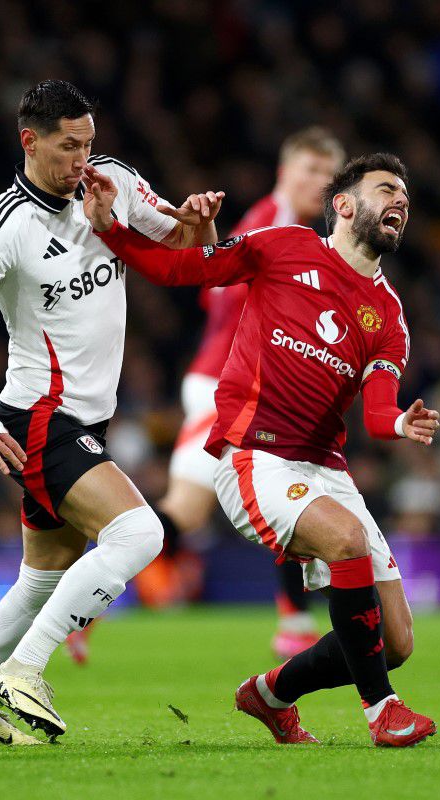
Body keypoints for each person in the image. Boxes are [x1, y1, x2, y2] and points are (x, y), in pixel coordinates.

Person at [83, 152, 440, 747]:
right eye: (386, 189)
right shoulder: (282, 246)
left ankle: (270, 694)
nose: (401, 201)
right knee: (347, 540)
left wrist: (401, 424)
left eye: (406, 195)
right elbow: (182, 271)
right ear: (345, 205)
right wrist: (111, 229)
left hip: (327, 468)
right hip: (254, 458)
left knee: (396, 642)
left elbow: (377, 412)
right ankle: (383, 711)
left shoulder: (391, 317)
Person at [0, 80, 223, 746]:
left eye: (89, 143)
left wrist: (199, 219)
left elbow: (187, 253)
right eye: (67, 145)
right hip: (38, 419)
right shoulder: (5, 224)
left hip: (87, 421)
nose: (83, 158)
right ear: (30, 141)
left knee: (39, 582)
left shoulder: (111, 182)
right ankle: (25, 669)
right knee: (142, 534)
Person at [141, 127, 345, 662]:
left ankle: (93, 580)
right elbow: (221, 292)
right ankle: (294, 619)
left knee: (186, 512)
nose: (320, 183)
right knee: (288, 483)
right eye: (311, 170)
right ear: (285, 172)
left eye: (330, 175)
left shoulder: (295, 231)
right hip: (231, 385)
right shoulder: (273, 228)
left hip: (227, 381)